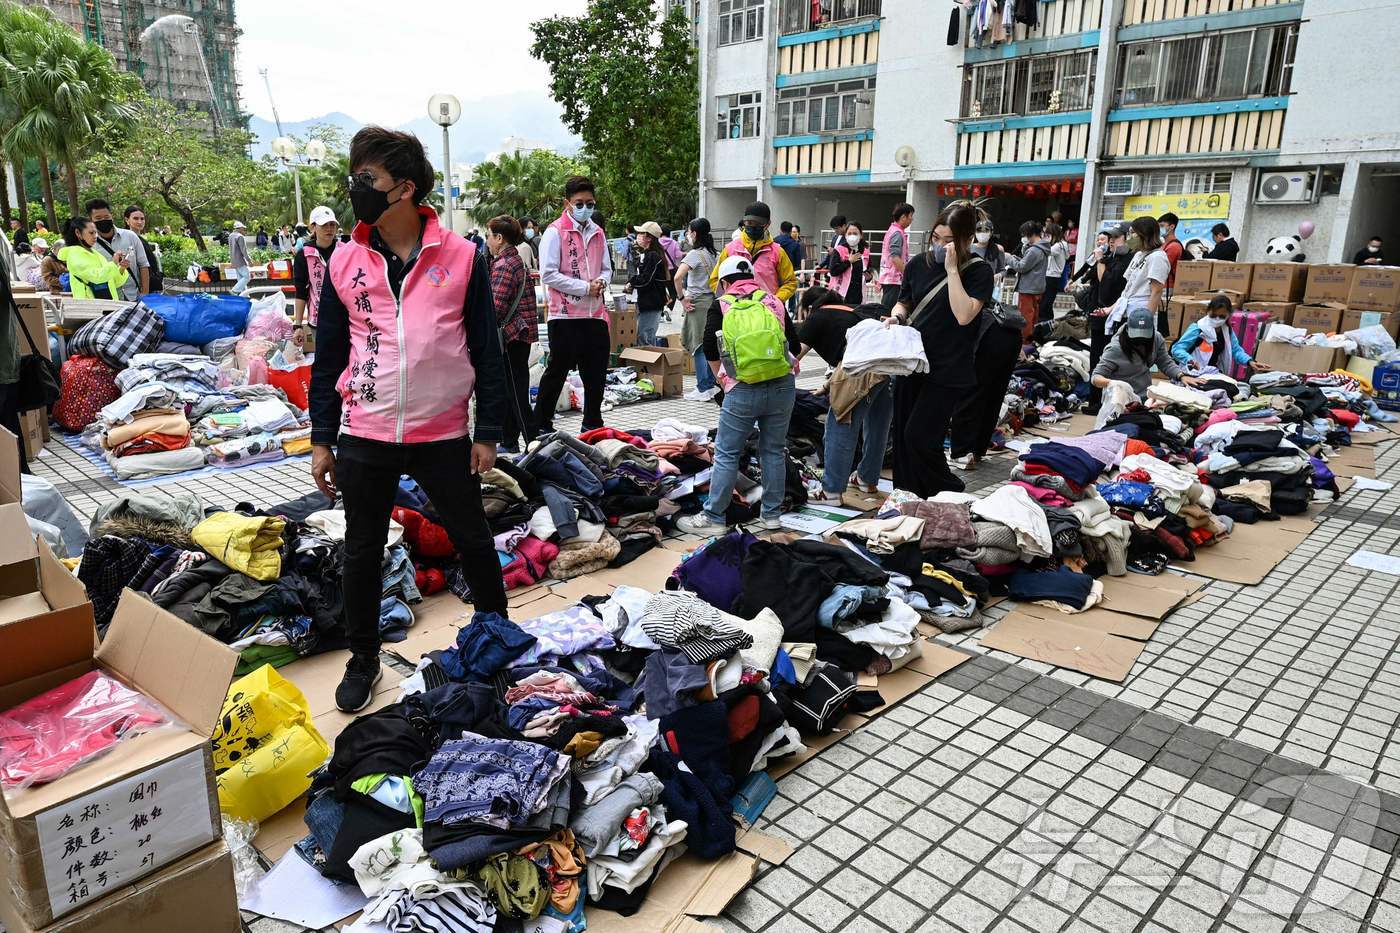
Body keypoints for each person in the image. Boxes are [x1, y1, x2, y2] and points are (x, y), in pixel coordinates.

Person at [308, 126, 509, 713]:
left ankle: (497, 638)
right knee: (362, 549)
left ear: (405, 189)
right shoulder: (344, 260)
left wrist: (488, 432)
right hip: (365, 432)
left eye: (367, 179)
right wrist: (323, 439)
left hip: (443, 432)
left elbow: (486, 351)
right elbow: (329, 360)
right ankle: (364, 656)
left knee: (472, 538)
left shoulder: (463, 257)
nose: (356, 189)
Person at [678, 255, 799, 534]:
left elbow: (709, 346)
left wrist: (724, 380)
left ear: (724, 282)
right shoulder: (773, 301)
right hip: (782, 385)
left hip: (743, 387)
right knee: (773, 451)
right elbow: (792, 341)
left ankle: (714, 518)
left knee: (727, 453)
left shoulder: (721, 305)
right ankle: (771, 516)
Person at [888, 202, 997, 496]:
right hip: (912, 361)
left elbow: (964, 315)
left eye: (948, 241)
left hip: (948, 368)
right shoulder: (917, 264)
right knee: (903, 435)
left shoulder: (978, 271)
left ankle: (951, 492)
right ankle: (909, 495)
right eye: (936, 238)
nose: (939, 246)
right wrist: (897, 316)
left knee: (920, 437)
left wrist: (951, 270)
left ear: (966, 239)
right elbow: (905, 300)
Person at [796, 286, 891, 503]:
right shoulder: (852, 311)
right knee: (877, 425)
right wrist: (828, 386)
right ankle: (867, 479)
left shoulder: (817, 316)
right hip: (885, 368)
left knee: (840, 424)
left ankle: (830, 491)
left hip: (859, 372)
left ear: (810, 307)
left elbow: (794, 357)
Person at [534, 175, 613, 434]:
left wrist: (601, 281)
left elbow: (606, 268)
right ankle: (542, 424)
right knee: (556, 372)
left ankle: (592, 422)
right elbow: (548, 273)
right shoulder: (555, 232)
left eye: (589, 203)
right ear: (567, 202)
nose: (585, 208)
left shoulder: (598, 232)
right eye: (579, 203)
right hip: (565, 316)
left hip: (595, 315)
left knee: (596, 374)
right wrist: (583, 288)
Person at [948, 278, 1026, 472]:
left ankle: (961, 453)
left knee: (970, 393)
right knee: (993, 394)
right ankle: (977, 449)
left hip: (988, 334)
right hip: (1008, 333)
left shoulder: (953, 274)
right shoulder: (978, 272)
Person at [486, 214, 539, 454]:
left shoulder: (504, 265)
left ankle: (533, 441)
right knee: (511, 390)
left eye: (489, 235)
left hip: (511, 336)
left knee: (516, 392)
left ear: (499, 238)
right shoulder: (515, 260)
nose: (487, 240)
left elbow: (495, 308)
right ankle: (509, 441)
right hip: (520, 333)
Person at [1094, 306, 1205, 399]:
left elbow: (1165, 362)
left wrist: (1181, 376)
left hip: (1144, 396)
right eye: (1137, 335)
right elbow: (1096, 377)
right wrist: (1114, 384)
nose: (1141, 339)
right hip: (1118, 399)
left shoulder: (1156, 339)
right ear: (1128, 329)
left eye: (1144, 335)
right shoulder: (1115, 349)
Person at [708, 203, 798, 309]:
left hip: (767, 313)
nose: (753, 226)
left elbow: (790, 282)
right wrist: (730, 300)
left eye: (758, 223)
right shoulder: (730, 249)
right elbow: (715, 280)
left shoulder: (777, 252)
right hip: (736, 312)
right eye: (749, 222)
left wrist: (775, 300)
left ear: (767, 224)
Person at [1103, 216, 1169, 350]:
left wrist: (1145, 321)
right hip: (1127, 312)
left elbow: (1156, 291)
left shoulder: (1158, 257)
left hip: (1141, 311)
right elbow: (1128, 289)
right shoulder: (1138, 255)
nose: (1130, 237)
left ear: (1144, 234)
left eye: (1133, 233)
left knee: (1136, 354)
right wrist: (1111, 308)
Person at [674, 218, 719, 400]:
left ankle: (703, 387)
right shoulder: (716, 254)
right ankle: (712, 384)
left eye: (689, 231)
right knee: (711, 344)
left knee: (698, 346)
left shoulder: (694, 254)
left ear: (694, 234)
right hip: (714, 302)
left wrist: (682, 298)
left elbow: (677, 277)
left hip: (698, 304)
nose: (687, 234)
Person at [1172, 294, 1271, 376]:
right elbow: (1177, 349)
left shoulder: (1227, 331)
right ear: (1208, 311)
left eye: (1222, 316)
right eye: (1214, 315)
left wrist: (1250, 362)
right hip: (1193, 373)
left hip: (1213, 373)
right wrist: (1190, 360)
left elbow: (1236, 350)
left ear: (1228, 315)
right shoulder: (1198, 328)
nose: (1217, 319)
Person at [85, 198, 148, 300]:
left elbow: (144, 265)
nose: (103, 220)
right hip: (107, 298)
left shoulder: (130, 236)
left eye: (106, 216)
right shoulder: (89, 244)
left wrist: (145, 293)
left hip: (133, 296)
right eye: (98, 218)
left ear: (111, 215)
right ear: (90, 220)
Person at [625, 221, 675, 347]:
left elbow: (646, 280)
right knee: (645, 337)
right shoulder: (650, 254)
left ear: (649, 238)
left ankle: (648, 366)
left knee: (644, 338)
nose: (638, 236)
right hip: (649, 301)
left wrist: (631, 282)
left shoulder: (652, 256)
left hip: (651, 302)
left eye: (641, 234)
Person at [58, 215, 130, 300]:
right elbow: (97, 277)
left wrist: (121, 268)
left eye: (96, 232)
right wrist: (114, 263)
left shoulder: (95, 254)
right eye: (91, 233)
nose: (95, 236)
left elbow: (112, 282)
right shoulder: (74, 255)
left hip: (106, 306)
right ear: (78, 233)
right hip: (90, 309)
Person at [293, 206, 342, 330]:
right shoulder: (303, 255)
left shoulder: (345, 251)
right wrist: (298, 325)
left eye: (332, 224)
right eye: (324, 225)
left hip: (345, 319)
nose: (329, 229)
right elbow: (301, 291)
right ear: (313, 227)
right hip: (318, 321)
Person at [1005, 221, 1048, 343]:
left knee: (1026, 317)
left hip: (1028, 288)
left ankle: (1024, 342)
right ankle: (1031, 340)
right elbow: (1027, 263)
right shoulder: (1042, 248)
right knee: (1033, 316)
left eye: (1024, 234)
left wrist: (1009, 258)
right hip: (1037, 287)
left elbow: (1022, 267)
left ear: (1031, 234)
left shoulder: (1034, 250)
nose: (1023, 237)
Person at [878, 202, 915, 310]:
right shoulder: (897, 233)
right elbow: (895, 257)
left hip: (890, 278)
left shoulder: (893, 231)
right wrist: (907, 275)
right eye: (911, 216)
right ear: (903, 217)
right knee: (888, 310)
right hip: (893, 279)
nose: (911, 220)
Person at [827, 221, 871, 305]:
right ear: (845, 235)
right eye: (849, 233)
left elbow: (868, 270)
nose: (852, 236)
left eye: (855, 233)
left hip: (858, 295)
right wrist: (848, 262)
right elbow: (833, 271)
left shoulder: (865, 251)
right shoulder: (839, 250)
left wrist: (869, 277)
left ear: (861, 235)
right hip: (840, 295)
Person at [124, 205, 163, 295]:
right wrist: (144, 291)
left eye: (142, 219)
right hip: (140, 289)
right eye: (135, 218)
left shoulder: (141, 239)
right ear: (127, 220)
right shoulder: (127, 240)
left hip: (151, 286)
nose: (140, 222)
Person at [1039, 222, 1069, 322]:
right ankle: (1048, 325)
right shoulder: (1063, 244)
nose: (1047, 237)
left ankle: (1044, 326)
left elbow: (1044, 251)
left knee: (1044, 305)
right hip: (1054, 277)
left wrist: (1042, 242)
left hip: (1051, 277)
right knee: (1047, 304)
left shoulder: (1058, 246)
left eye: (1048, 234)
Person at [1158, 211, 1183, 304]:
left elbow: (1162, 269)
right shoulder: (1164, 244)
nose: (1159, 229)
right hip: (1162, 286)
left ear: (1172, 227)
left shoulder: (1173, 246)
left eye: (1162, 226)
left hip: (1167, 287)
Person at [228, 220, 251, 295]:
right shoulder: (240, 237)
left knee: (241, 279)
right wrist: (249, 260)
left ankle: (245, 296)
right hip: (240, 260)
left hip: (234, 260)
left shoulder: (230, 236)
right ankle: (234, 290)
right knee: (247, 277)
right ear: (239, 228)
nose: (244, 230)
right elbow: (244, 250)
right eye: (243, 228)